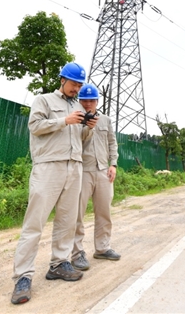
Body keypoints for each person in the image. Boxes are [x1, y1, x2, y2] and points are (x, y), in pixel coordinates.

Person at [11, 62, 98, 305]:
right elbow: (35, 127)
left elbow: (80, 138)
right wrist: (64, 120)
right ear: (62, 80)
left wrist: (88, 128)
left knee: (67, 221)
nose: (76, 89)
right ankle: (22, 277)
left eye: (79, 85)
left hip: (74, 167)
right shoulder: (44, 100)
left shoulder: (78, 106)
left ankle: (59, 263)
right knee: (35, 223)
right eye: (73, 84)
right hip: (49, 166)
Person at [71, 83, 121, 271]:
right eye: (84, 100)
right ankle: (77, 253)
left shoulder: (105, 120)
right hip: (82, 170)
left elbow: (112, 143)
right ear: (80, 101)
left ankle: (102, 248)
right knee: (78, 213)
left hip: (103, 171)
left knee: (104, 211)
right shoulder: (75, 119)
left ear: (97, 101)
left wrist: (113, 164)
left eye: (92, 100)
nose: (88, 104)